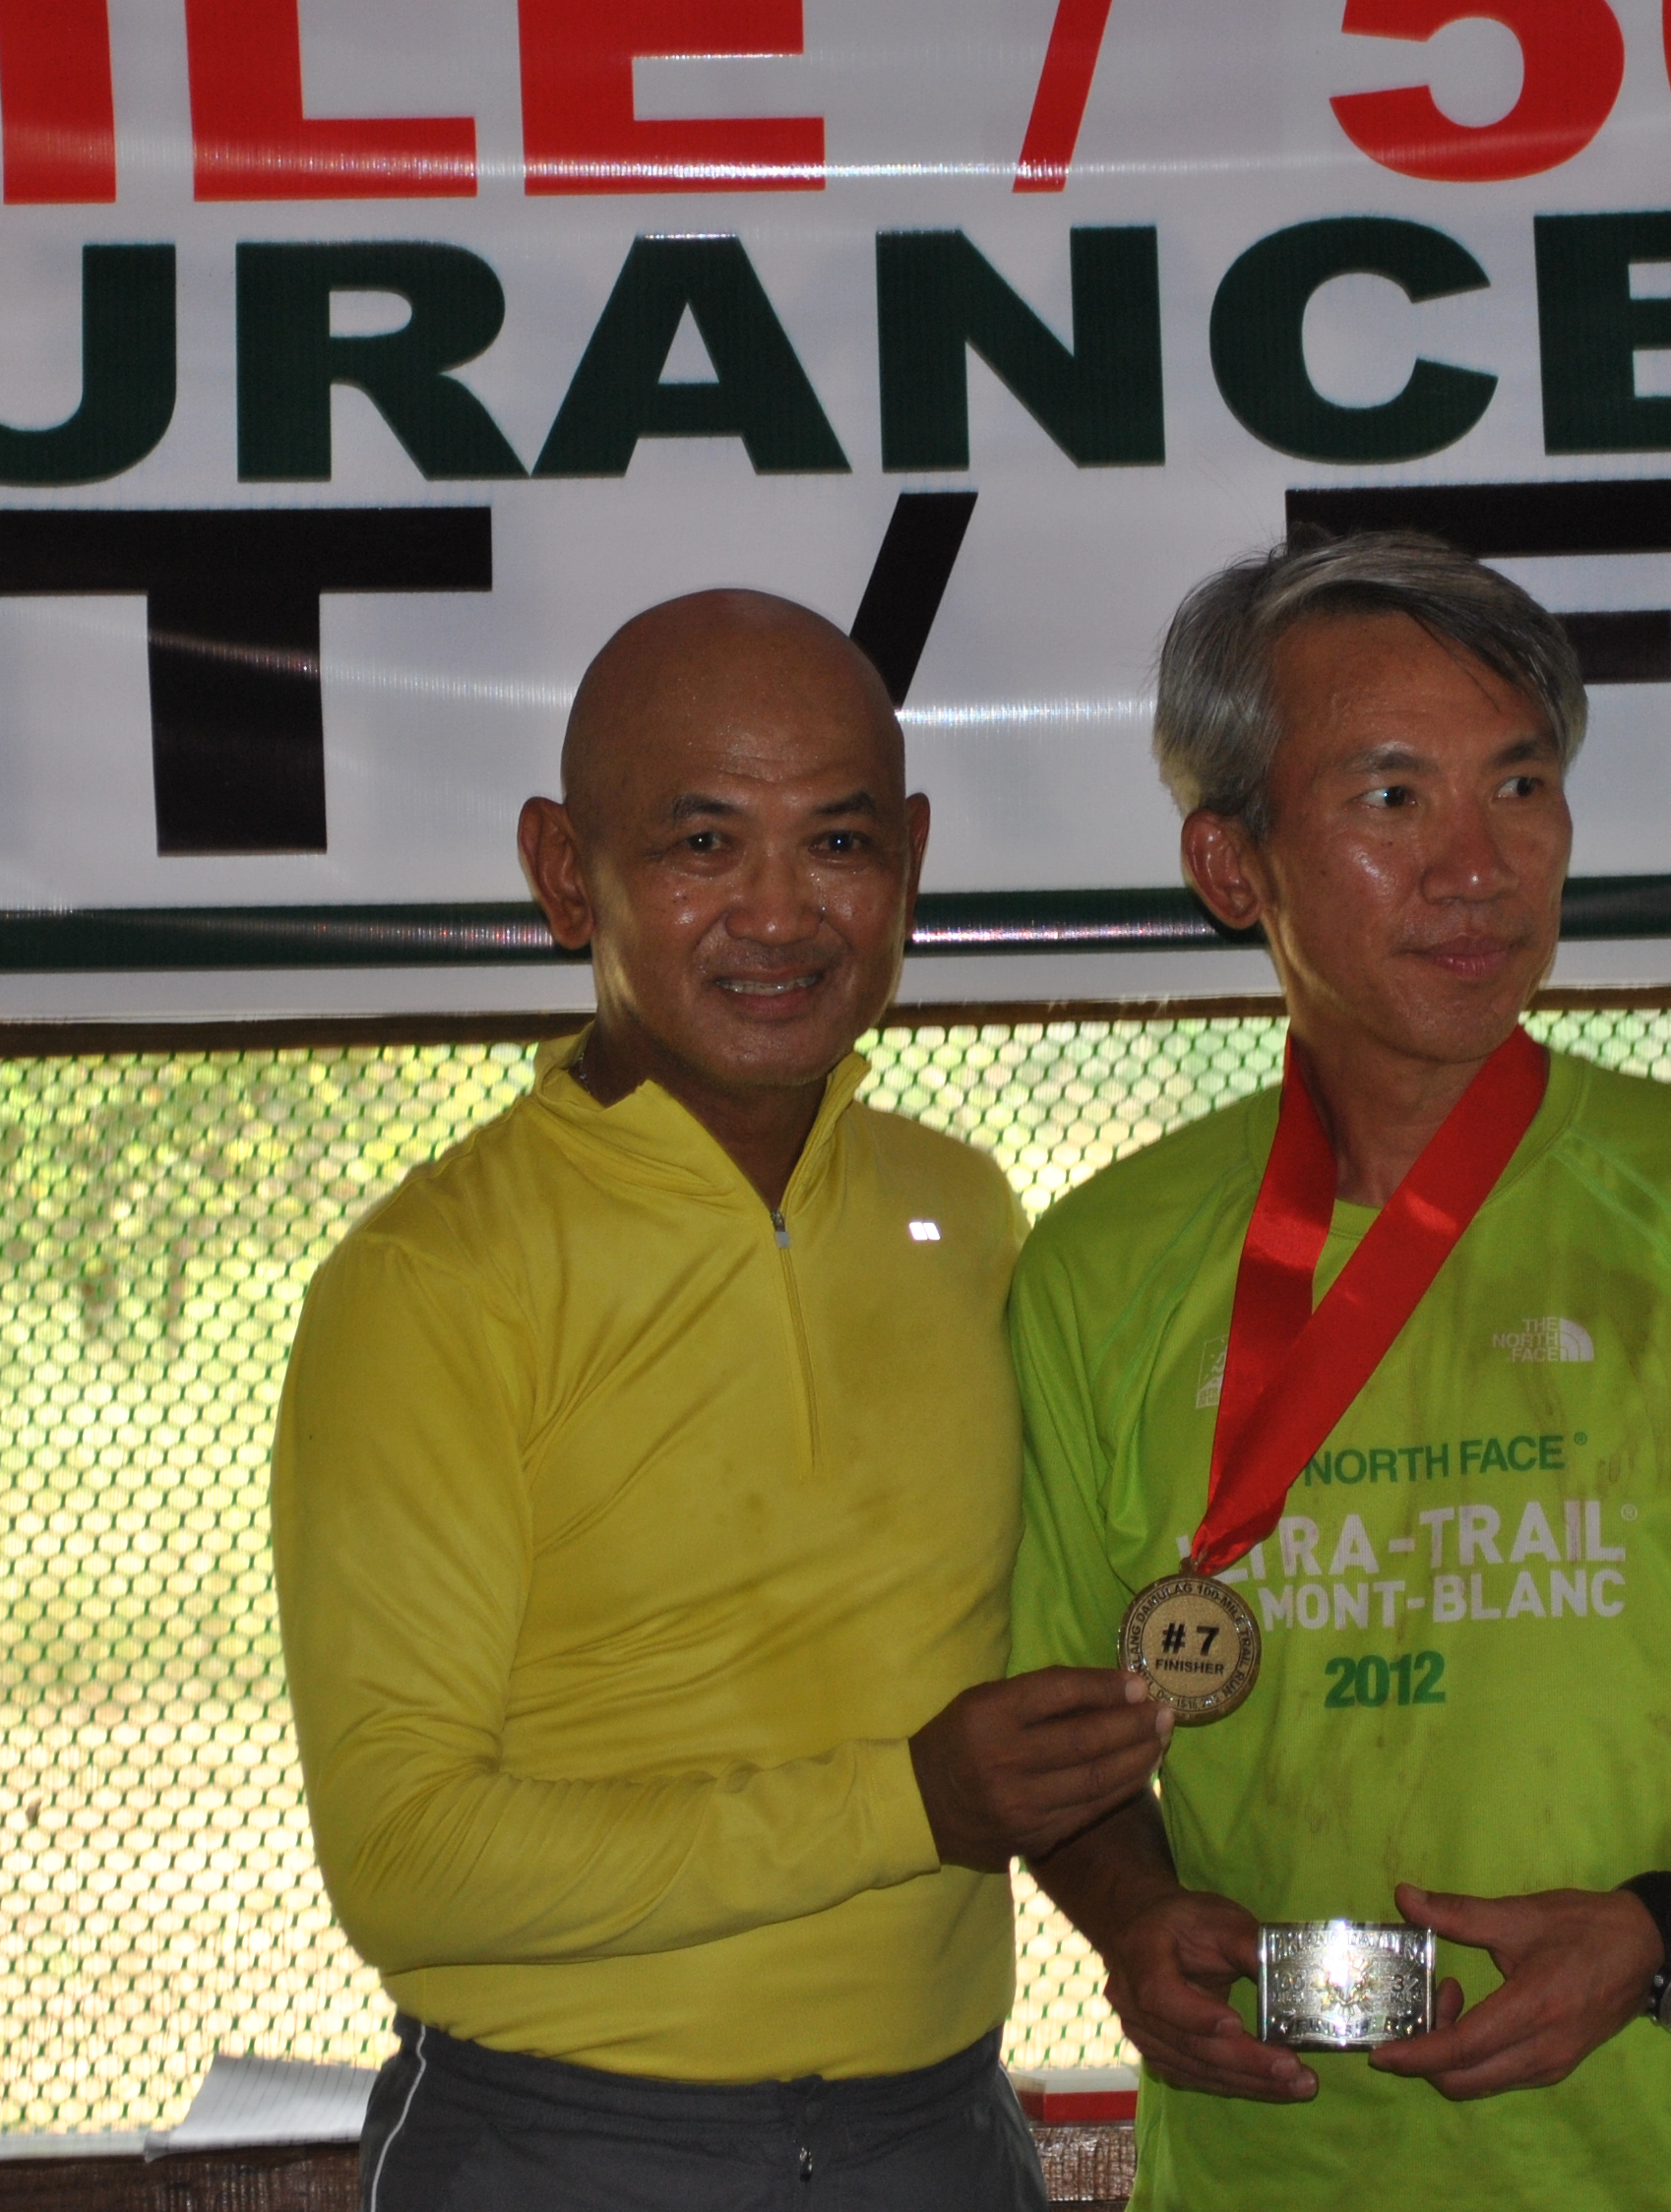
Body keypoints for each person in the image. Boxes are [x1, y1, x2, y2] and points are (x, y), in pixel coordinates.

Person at [1010, 532, 1671, 2209]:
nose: (1479, 867)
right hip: (1275, 2170)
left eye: (1521, 786)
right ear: (1232, 861)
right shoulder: (1099, 1266)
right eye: (1393, 799)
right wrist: (1131, 1914)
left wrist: (1670, 1927)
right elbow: (1058, 1739)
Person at [274, 589, 1171, 2211]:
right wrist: (903, 1803)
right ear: (567, 872)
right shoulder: (433, 1279)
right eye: (703, 845)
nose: (779, 913)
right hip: (570, 2147)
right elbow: (406, 1863)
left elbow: (1022, 1677)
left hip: (944, 2132)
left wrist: (1144, 1895)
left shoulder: (963, 1211)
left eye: (838, 844)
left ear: (909, 860)